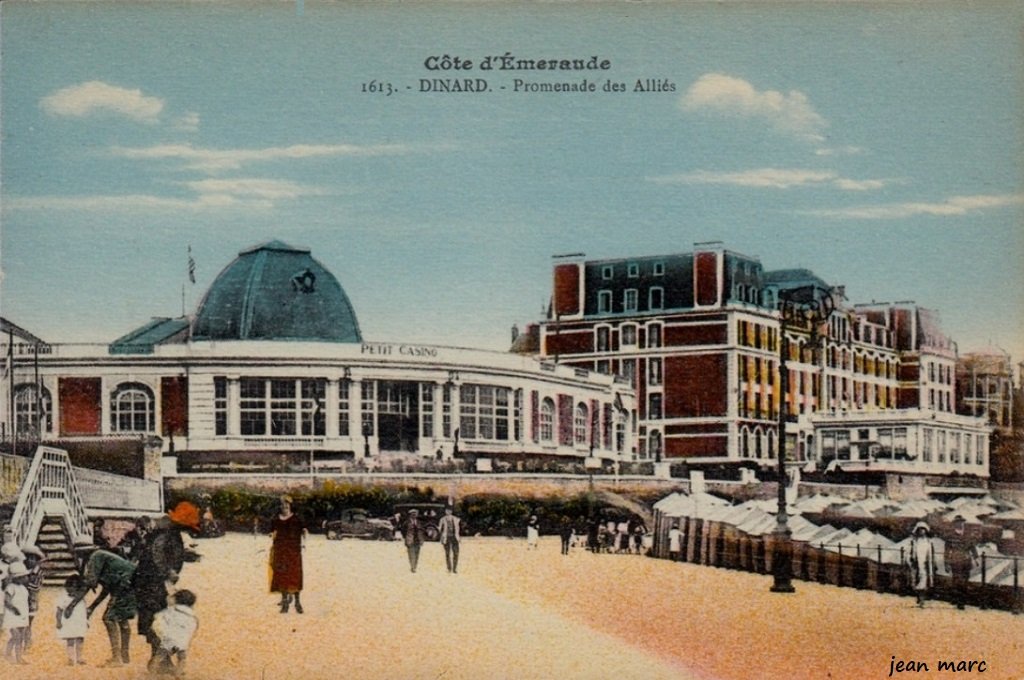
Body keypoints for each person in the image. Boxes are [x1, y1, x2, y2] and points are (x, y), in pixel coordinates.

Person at [136, 502, 196, 669]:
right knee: (159, 620)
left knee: (160, 620)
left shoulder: (168, 531)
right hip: (152, 584)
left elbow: (167, 552)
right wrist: (168, 571)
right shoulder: (165, 533)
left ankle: (161, 659)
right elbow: (157, 553)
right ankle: (161, 661)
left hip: (154, 583)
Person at [82, 548, 137, 667]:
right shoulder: (106, 558)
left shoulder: (96, 556)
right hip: (131, 586)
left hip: (125, 586)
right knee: (122, 619)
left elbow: (90, 583)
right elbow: (106, 589)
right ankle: (124, 655)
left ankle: (117, 658)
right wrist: (92, 607)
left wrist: (73, 604)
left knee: (109, 618)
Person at [270, 495, 306, 613]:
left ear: (290, 506)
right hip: (280, 552)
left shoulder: (296, 519)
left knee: (295, 577)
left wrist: (304, 541)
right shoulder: (276, 519)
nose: (284, 507)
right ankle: (285, 602)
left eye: (287, 504)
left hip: (294, 552)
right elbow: (273, 532)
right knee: (282, 577)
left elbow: (304, 531)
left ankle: (297, 602)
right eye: (282, 505)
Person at [150, 588, 198, 676]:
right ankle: (178, 674)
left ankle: (151, 675)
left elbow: (158, 620)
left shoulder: (170, 611)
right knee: (182, 659)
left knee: (158, 657)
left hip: (168, 640)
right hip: (182, 641)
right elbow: (193, 627)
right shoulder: (192, 616)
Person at [944, 515, 978, 610]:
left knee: (965, 581)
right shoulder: (950, 536)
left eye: (962, 522)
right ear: (955, 524)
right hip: (955, 561)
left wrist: (976, 558)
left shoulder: (967, 535)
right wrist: (946, 564)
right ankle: (959, 601)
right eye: (958, 522)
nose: (960, 524)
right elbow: (946, 551)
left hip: (966, 561)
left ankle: (961, 600)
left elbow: (972, 547)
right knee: (958, 582)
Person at [55, 573, 90, 666]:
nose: (71, 589)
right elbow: (59, 610)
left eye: (74, 587)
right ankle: (70, 658)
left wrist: (86, 621)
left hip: (79, 622)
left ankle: (79, 658)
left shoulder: (81, 600)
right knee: (70, 640)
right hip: (69, 623)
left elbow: (84, 612)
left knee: (80, 639)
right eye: (69, 586)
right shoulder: (64, 598)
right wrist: (58, 622)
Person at [3, 561, 30, 664]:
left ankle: (8, 653)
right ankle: (18, 658)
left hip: (22, 616)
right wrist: (13, 608)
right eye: (23, 577)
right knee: (17, 637)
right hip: (12, 617)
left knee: (19, 637)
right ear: (17, 578)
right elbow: (7, 601)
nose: (26, 579)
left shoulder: (23, 588)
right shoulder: (11, 587)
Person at [907, 521, 934, 607]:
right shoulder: (914, 542)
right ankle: (918, 596)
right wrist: (910, 560)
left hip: (925, 564)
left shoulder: (928, 542)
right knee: (915, 582)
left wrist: (931, 563)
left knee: (924, 582)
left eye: (923, 529)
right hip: (916, 564)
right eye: (920, 530)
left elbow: (930, 554)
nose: (922, 531)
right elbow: (909, 552)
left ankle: (922, 600)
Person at [438, 504, 461, 574]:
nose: (448, 512)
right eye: (447, 511)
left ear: (451, 512)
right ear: (445, 511)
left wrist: (458, 536)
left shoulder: (456, 519)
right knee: (447, 553)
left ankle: (454, 568)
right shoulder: (442, 519)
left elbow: (458, 528)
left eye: (449, 511)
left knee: (456, 553)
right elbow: (439, 529)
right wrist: (442, 536)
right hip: (446, 538)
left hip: (454, 537)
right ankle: (449, 568)